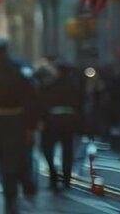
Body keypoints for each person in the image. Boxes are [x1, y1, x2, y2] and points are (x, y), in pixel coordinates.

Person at [0, 39, 36, 213]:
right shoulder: (18, 71)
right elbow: (30, 100)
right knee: (11, 161)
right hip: (14, 121)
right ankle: (11, 197)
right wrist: (30, 127)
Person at [36, 60, 83, 191]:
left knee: (47, 148)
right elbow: (80, 107)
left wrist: (41, 120)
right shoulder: (74, 87)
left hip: (52, 121)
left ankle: (53, 175)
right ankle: (66, 178)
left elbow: (42, 103)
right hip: (69, 121)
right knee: (68, 149)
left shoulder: (51, 86)